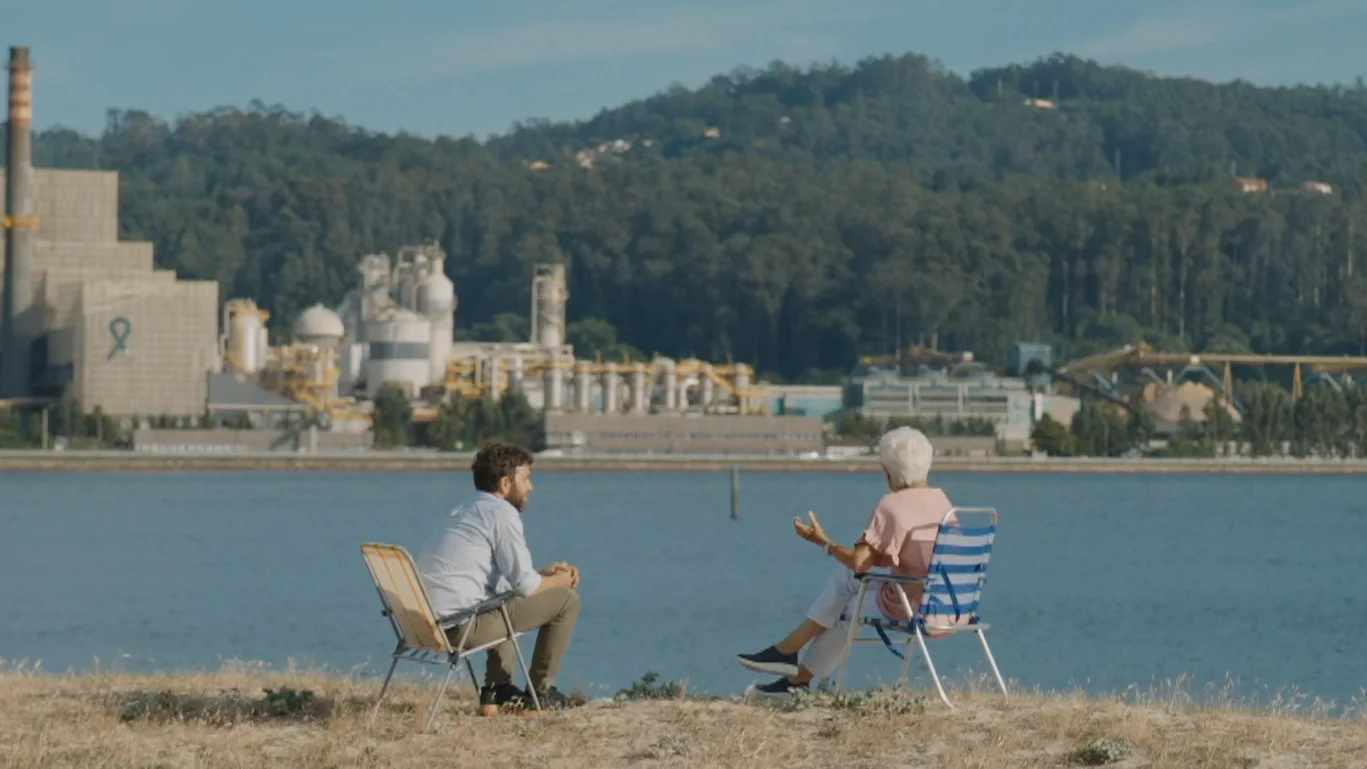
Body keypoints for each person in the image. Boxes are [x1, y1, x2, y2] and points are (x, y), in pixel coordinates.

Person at [735, 426, 955, 696]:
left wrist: (824, 543)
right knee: (850, 596)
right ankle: (794, 678)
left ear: (888, 472)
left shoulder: (893, 504)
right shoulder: (943, 502)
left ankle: (788, 654)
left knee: (849, 584)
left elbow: (860, 562)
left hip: (914, 608)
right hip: (951, 607)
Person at [415, 442, 582, 712]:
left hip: (425, 625)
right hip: (460, 629)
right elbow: (525, 587)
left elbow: (503, 581)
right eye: (526, 479)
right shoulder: (502, 513)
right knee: (567, 600)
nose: (531, 487)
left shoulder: (464, 511)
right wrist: (560, 581)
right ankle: (541, 693)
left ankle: (497, 692)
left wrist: (542, 575)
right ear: (506, 483)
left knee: (502, 599)